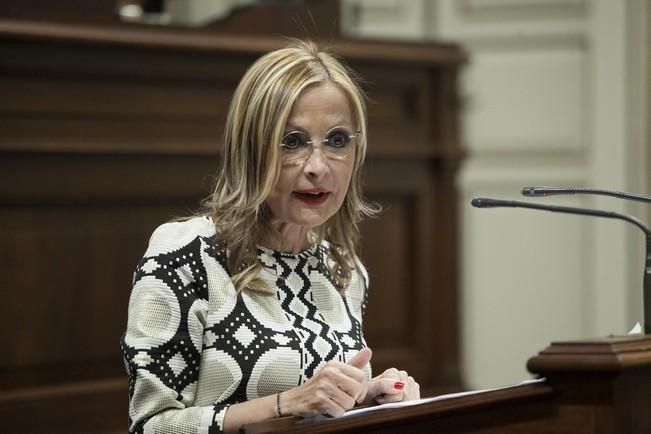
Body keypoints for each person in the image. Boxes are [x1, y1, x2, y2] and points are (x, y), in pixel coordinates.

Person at [121, 39, 420, 434]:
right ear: (250, 150)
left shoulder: (343, 268)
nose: (317, 166)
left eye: (337, 141)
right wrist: (283, 404)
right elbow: (151, 426)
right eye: (292, 142)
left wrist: (368, 398)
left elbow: (317, 407)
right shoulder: (185, 253)